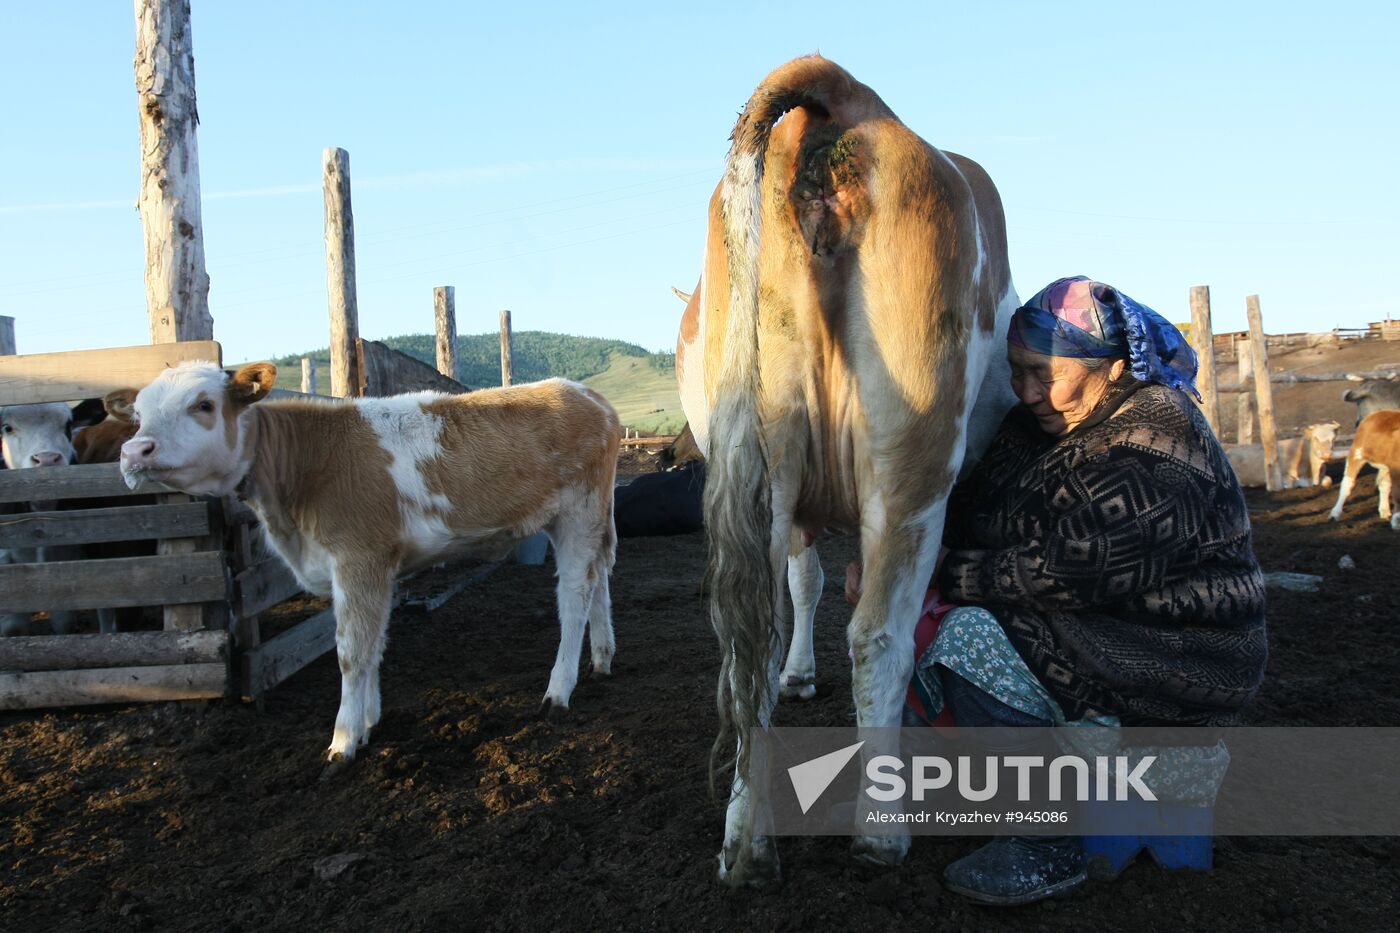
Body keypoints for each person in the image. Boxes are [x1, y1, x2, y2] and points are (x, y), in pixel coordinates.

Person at [845, 276, 1267, 906]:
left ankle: (1047, 842)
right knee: (899, 619)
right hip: (1091, 625)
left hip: (1172, 654)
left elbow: (1070, 573)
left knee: (965, 637)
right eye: (1017, 372)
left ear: (1113, 366)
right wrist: (888, 561)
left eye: (1046, 373)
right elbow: (971, 506)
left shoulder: (1158, 442)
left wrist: (933, 576)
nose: (1029, 391)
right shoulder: (1038, 425)